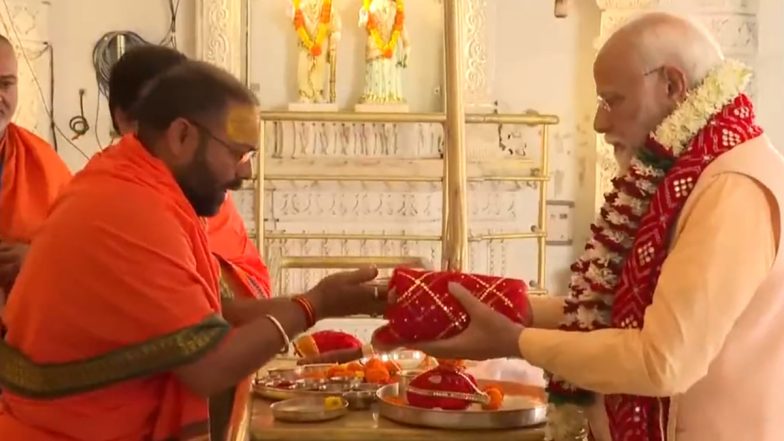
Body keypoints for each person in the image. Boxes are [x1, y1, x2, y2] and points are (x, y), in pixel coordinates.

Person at [374, 12, 784, 441]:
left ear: (672, 86)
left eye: (613, 100)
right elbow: (616, 317)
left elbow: (662, 361)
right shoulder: (683, 176)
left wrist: (516, 341)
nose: (599, 123)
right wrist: (490, 302)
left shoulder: (733, 187)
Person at [0, 60, 388, 440]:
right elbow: (209, 368)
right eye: (237, 152)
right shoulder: (133, 209)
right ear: (182, 136)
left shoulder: (130, 181)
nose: (246, 172)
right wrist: (312, 307)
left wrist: (331, 301)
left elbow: (218, 313)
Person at [108, 46, 272, 440]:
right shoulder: (126, 202)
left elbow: (232, 286)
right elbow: (202, 361)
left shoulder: (192, 192)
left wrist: (313, 306)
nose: (242, 172)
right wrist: (312, 307)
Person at [0, 35, 71, 310]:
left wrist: (37, 258)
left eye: (6, 84)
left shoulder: (42, 161)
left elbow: (82, 247)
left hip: (25, 334)